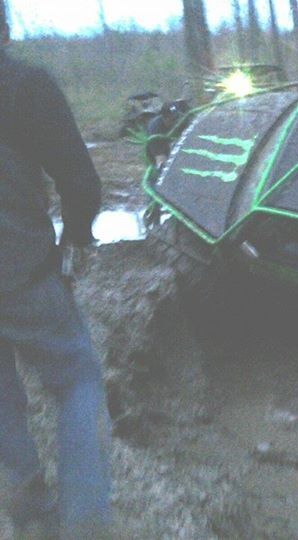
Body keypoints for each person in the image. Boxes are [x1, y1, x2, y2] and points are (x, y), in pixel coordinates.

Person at [0, 2, 112, 538]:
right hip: (21, 271)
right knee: (77, 378)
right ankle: (85, 518)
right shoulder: (24, 85)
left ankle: (27, 501)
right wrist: (75, 239)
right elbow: (80, 180)